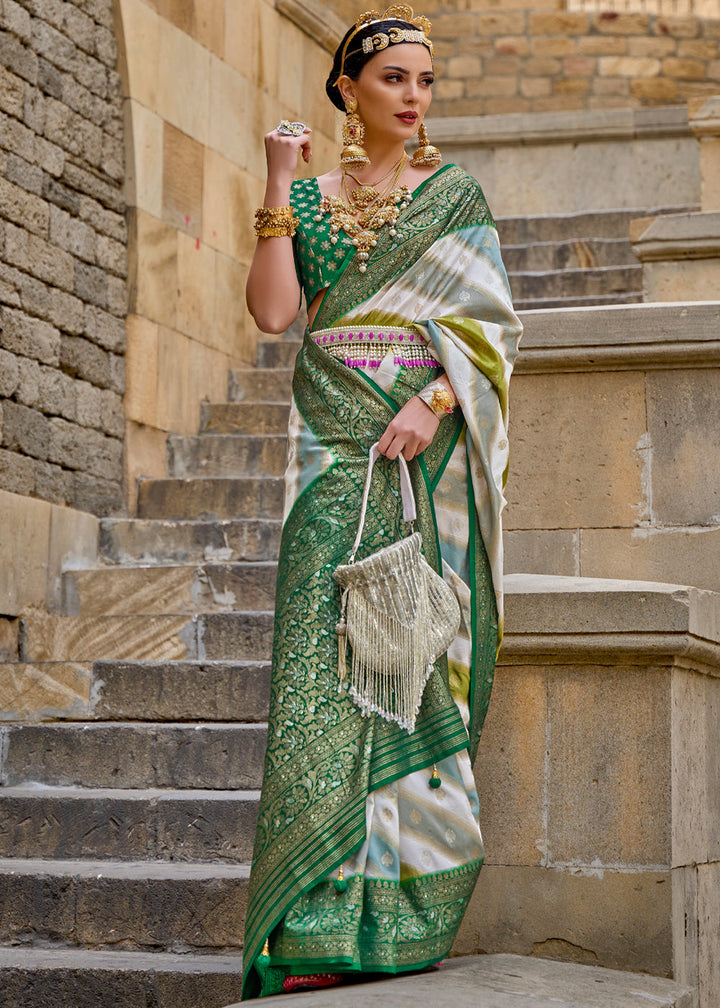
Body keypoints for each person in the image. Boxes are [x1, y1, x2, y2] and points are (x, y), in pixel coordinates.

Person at [242, 5, 522, 999]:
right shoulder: (313, 199)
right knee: (324, 681)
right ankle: (313, 926)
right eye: (395, 78)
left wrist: (434, 396)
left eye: (425, 80)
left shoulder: (455, 197)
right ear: (349, 89)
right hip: (325, 455)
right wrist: (279, 187)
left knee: (412, 665)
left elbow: (492, 328)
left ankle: (405, 916)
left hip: (423, 456)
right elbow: (277, 311)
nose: (414, 96)